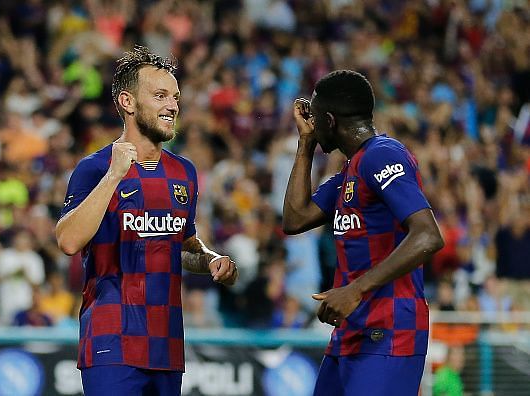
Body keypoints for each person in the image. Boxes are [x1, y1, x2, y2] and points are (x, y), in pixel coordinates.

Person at [55, 45, 238, 396]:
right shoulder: (94, 168)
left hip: (167, 345)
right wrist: (113, 177)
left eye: (175, 97)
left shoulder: (183, 172)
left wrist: (212, 260)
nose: (173, 105)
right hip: (112, 342)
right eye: (160, 95)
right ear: (128, 102)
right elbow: (68, 240)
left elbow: (182, 245)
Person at [282, 70, 444, 396]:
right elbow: (295, 219)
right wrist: (305, 142)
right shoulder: (351, 172)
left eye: (316, 118)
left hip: (389, 333)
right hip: (351, 332)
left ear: (329, 119)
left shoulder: (382, 154)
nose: (311, 122)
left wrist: (354, 290)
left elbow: (428, 235)